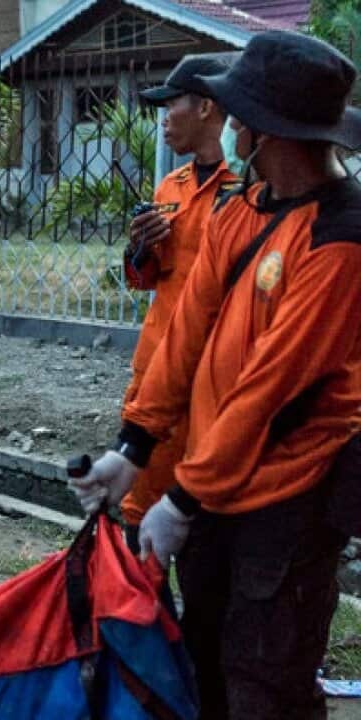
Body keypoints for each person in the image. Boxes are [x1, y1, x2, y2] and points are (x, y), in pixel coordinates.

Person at [70, 30, 361, 719]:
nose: (228, 127)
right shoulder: (244, 210)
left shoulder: (342, 236)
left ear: (264, 131)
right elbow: (183, 334)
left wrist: (184, 498)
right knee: (199, 660)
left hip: (287, 497)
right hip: (212, 482)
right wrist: (134, 446)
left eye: (236, 116)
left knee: (264, 682)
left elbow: (272, 388)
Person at [118, 54, 238, 553]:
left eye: (172, 105)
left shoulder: (247, 189)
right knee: (136, 515)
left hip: (219, 379)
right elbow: (149, 278)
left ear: (207, 107)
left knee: (207, 525)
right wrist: (140, 246)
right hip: (159, 372)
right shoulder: (172, 186)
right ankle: (147, 628)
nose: (164, 118)